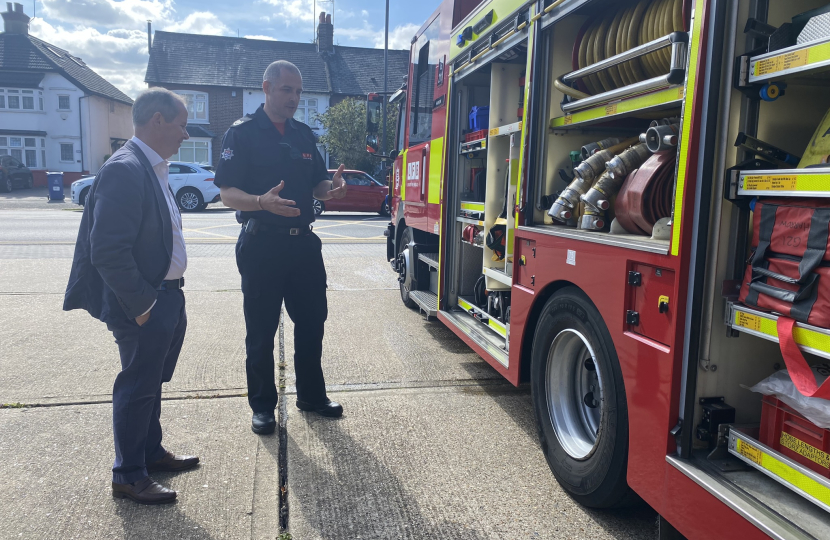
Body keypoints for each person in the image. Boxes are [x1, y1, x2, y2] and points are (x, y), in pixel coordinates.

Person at [64, 88, 198, 505]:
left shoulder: (151, 166)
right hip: (145, 302)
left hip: (166, 295)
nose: (185, 132)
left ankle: (149, 453)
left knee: (151, 382)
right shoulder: (126, 168)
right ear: (157, 120)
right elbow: (107, 250)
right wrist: (145, 307)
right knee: (137, 384)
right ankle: (127, 474)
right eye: (180, 124)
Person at [214, 60, 347, 434]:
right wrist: (260, 201)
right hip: (262, 245)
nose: (294, 98)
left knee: (311, 323)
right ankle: (262, 406)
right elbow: (226, 193)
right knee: (261, 330)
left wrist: (330, 190)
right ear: (267, 88)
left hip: (303, 246)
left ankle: (311, 395)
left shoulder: (304, 134)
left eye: (299, 92)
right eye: (287, 90)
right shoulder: (242, 134)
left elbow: (318, 183)